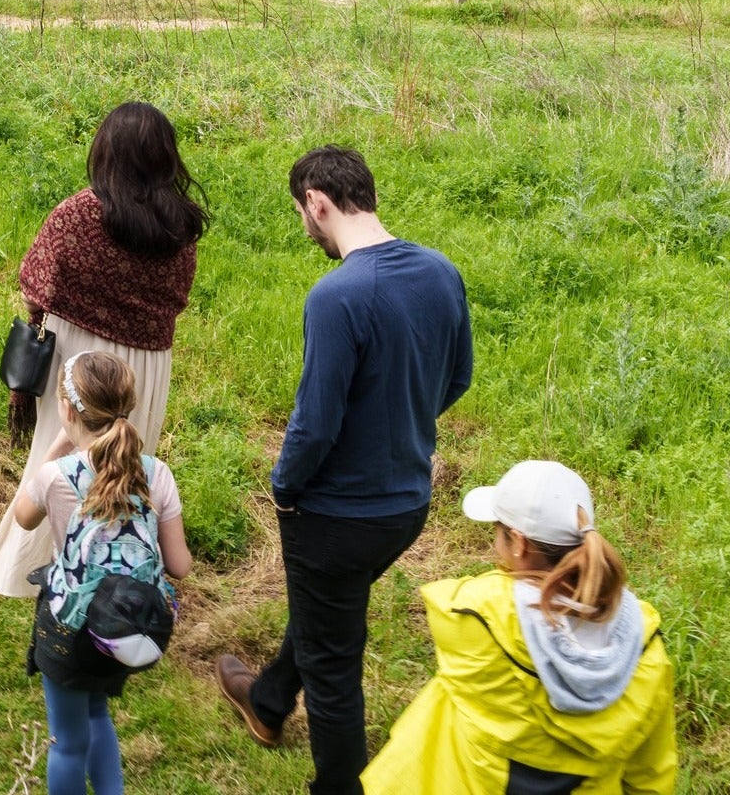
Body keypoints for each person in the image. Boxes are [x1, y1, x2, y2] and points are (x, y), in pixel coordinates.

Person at [215, 145, 473, 795]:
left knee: (333, 670)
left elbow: (315, 424)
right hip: (406, 506)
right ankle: (268, 701)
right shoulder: (441, 273)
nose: (306, 228)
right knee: (327, 614)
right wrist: (402, 422)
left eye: (303, 214)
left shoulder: (337, 296)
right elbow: (458, 376)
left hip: (336, 516)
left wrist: (284, 485)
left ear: (318, 203)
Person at [0, 102, 205, 599]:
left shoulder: (79, 212)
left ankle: (29, 573)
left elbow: (36, 285)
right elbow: (181, 298)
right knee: (125, 467)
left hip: (75, 355)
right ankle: (117, 575)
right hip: (146, 361)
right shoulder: (181, 226)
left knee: (55, 457)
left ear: (104, 151)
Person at [361, 460, 678, 793]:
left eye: (498, 531)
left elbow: (447, 599)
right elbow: (650, 773)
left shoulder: (476, 616)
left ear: (520, 542)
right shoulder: (643, 642)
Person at [11, 351, 192, 795]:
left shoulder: (55, 475)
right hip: (124, 625)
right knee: (98, 715)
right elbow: (180, 565)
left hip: (69, 628)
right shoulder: (157, 474)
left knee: (67, 743)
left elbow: (22, 518)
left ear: (67, 410)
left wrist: (56, 445)